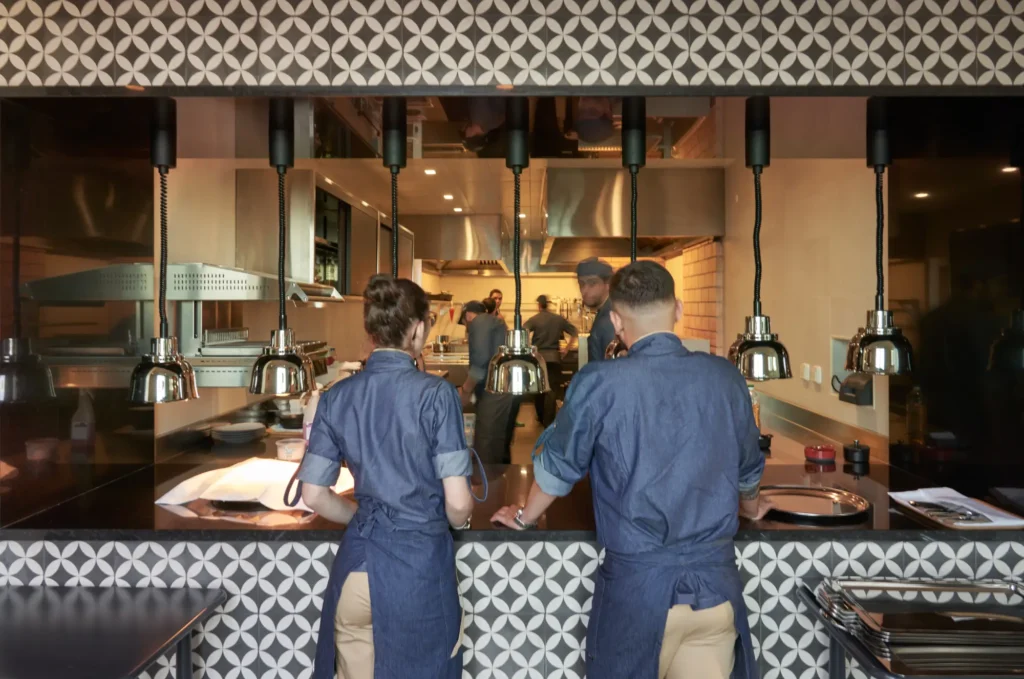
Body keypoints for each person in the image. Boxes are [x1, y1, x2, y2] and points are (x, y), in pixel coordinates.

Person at [492, 261, 769, 679]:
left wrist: (524, 517)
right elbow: (749, 466)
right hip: (715, 592)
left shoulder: (599, 382)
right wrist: (749, 506)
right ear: (677, 308)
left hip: (636, 597)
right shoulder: (726, 377)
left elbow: (557, 469)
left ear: (617, 321)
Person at [299, 275, 475, 679]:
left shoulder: (336, 396)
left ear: (371, 331)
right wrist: (458, 520)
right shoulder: (436, 395)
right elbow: (459, 502)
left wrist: (364, 519)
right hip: (415, 578)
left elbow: (314, 494)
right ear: (417, 328)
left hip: (356, 574)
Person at [459, 300, 517, 464]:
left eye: (464, 324)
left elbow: (480, 361)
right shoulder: (492, 321)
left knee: (486, 442)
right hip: (502, 388)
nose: (466, 328)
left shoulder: (479, 322)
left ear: (468, 315)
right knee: (496, 441)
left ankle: (488, 484)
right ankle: (498, 481)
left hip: (494, 391)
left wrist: (465, 390)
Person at [523, 294, 578, 425]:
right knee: (552, 389)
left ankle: (541, 417)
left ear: (539, 305)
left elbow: (523, 331)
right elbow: (575, 331)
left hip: (538, 359)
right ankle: (549, 421)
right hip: (554, 358)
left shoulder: (535, 319)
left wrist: (529, 347)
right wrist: (567, 348)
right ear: (547, 304)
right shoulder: (558, 319)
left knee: (538, 389)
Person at [577, 257, 616, 363]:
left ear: (608, 284)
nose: (584, 290)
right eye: (581, 284)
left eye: (592, 283)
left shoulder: (609, 320)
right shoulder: (606, 312)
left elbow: (612, 370)